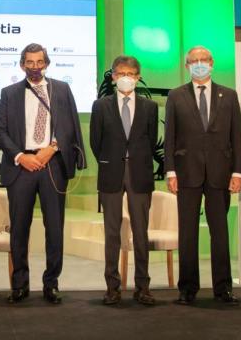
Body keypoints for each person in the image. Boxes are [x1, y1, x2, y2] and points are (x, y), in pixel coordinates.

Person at [0, 43, 84, 305]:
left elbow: (70, 126)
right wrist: (22, 157)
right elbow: (0, 131)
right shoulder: (9, 93)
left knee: (54, 228)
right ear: (22, 64)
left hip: (53, 165)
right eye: (29, 62)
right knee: (19, 229)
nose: (35, 66)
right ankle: (20, 285)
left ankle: (51, 284)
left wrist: (51, 149)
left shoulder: (62, 89)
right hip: (20, 166)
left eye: (39, 61)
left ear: (47, 63)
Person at [163, 45, 241, 306]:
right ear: (187, 66)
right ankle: (187, 289)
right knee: (187, 233)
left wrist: (238, 171)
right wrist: (170, 171)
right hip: (186, 173)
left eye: (203, 59)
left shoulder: (228, 96)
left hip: (220, 173)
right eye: (193, 60)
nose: (199, 63)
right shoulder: (175, 96)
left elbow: (237, 137)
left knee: (220, 232)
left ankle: (223, 289)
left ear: (212, 63)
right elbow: (170, 138)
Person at [90, 55, 159, 306]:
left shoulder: (150, 108)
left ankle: (143, 287)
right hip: (110, 173)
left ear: (138, 77)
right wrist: (112, 160)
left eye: (130, 74)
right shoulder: (101, 106)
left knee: (141, 232)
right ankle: (112, 287)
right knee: (112, 233)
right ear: (113, 77)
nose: (126, 78)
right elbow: (95, 143)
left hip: (140, 173)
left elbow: (151, 142)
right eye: (120, 74)